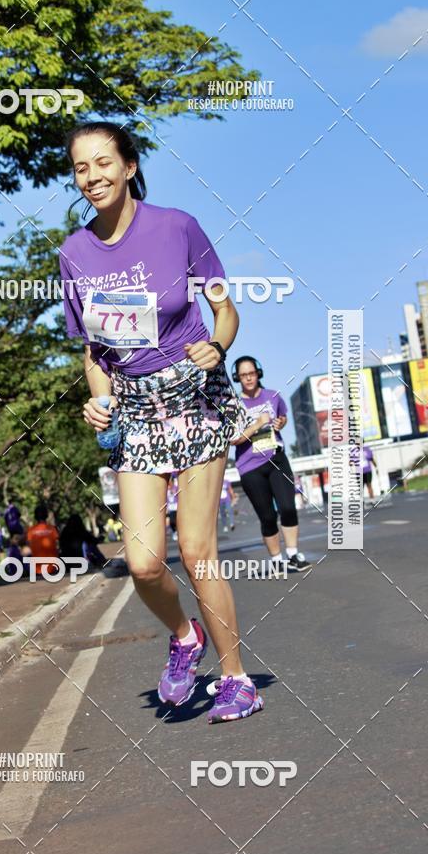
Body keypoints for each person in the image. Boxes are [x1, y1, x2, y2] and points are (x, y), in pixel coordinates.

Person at [60, 120, 262, 724]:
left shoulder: (177, 227)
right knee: (144, 562)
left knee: (197, 550)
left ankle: (236, 680)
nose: (92, 176)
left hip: (195, 395)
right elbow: (94, 351)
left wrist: (217, 347)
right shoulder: (74, 253)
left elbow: (225, 311)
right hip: (136, 411)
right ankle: (184, 636)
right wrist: (99, 400)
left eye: (103, 163)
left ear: (129, 167)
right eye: (80, 167)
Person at [231, 356, 310, 573]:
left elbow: (283, 417)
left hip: (276, 458)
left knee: (288, 507)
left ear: (258, 373)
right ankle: (276, 559)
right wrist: (258, 424)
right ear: (237, 377)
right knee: (267, 517)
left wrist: (280, 423)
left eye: (251, 373)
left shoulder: (273, 396)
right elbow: (234, 438)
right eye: (243, 375)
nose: (248, 378)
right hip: (250, 466)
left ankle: (293, 555)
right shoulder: (235, 405)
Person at [26, 503, 60, 576]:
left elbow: (28, 550)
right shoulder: (53, 529)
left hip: (36, 570)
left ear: (35, 516)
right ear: (46, 516)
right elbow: (57, 547)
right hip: (52, 568)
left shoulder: (30, 531)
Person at [166, 473, 179, 541]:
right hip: (171, 508)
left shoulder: (176, 488)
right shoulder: (167, 490)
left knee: (176, 521)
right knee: (171, 522)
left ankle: (177, 531)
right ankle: (174, 531)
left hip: (176, 506)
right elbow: (166, 499)